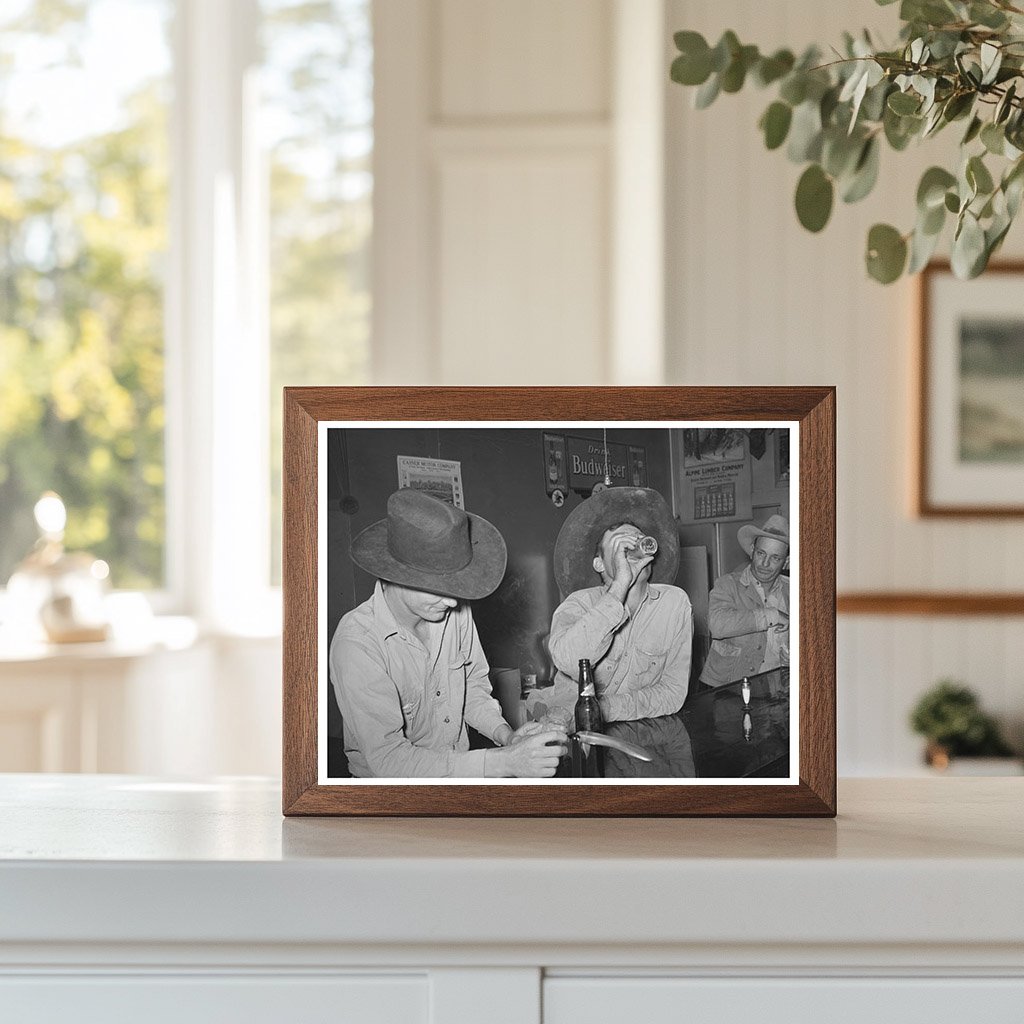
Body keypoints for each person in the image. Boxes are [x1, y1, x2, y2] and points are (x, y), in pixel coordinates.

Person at [329, 488, 565, 778]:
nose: (454, 601)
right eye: (441, 588)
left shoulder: (451, 611)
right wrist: (504, 761)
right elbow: (389, 760)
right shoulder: (357, 643)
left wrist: (507, 736)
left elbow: (473, 688)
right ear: (396, 576)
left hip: (457, 781)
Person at [537, 486, 693, 723]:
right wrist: (620, 585)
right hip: (578, 733)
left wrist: (603, 709)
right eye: (620, 542)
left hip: (640, 732)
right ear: (599, 564)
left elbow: (673, 693)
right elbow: (569, 661)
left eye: (638, 540)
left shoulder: (674, 603)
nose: (632, 546)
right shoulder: (578, 605)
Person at [700, 514, 790, 688]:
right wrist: (772, 614)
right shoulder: (727, 584)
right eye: (761, 553)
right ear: (752, 551)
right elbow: (717, 625)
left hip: (774, 690)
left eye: (775, 558)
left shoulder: (795, 591)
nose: (765, 563)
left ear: (786, 562)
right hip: (725, 688)